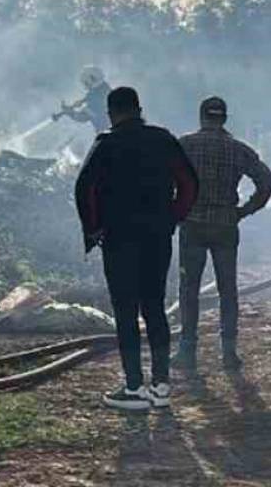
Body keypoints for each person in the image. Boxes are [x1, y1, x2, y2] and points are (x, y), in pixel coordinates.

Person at [74, 86, 197, 410]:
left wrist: (94, 230)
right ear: (139, 108)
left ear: (112, 113)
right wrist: (173, 217)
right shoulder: (163, 139)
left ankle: (133, 388)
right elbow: (188, 184)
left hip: (119, 239)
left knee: (126, 311)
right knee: (155, 306)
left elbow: (84, 189)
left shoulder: (106, 144)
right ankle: (161, 386)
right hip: (157, 238)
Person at [174, 97, 271, 372]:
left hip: (192, 224)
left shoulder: (184, 146)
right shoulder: (238, 150)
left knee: (189, 289)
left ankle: (187, 350)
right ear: (224, 119)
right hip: (225, 226)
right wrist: (244, 211)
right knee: (227, 289)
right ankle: (228, 351)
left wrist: (175, 208)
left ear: (201, 116)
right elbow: (267, 182)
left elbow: (162, 178)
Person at [53, 66, 112, 132]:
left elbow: (82, 117)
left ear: (91, 80)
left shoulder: (93, 98)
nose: (87, 86)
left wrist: (69, 112)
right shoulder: (106, 88)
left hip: (106, 133)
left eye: (86, 83)